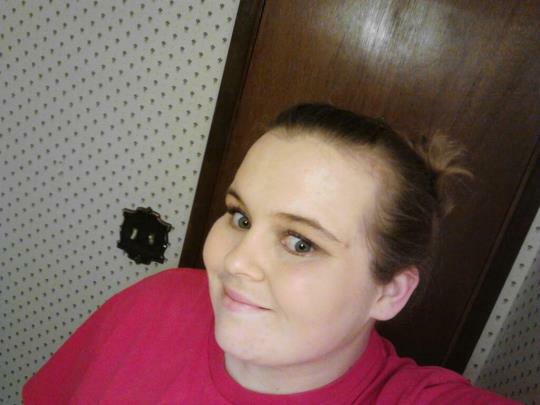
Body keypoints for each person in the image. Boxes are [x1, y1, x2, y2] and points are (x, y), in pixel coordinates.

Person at [22, 103, 520, 404]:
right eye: (240, 217)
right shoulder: (155, 302)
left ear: (389, 292)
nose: (235, 262)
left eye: (300, 243)